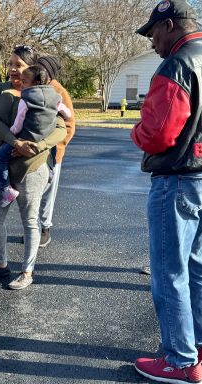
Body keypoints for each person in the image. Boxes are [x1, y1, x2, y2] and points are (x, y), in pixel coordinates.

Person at [131, 1, 202, 382]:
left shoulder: (177, 64)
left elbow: (158, 135)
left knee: (169, 272)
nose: (152, 41)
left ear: (170, 25)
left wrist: (136, 131)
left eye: (154, 32)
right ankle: (196, 347)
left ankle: (180, 360)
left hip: (177, 179)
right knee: (197, 269)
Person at [0, 45, 67, 290]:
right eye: (10, 64)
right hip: (3, 163)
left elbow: (61, 128)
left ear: (32, 69)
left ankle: (27, 272)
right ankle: (1, 266)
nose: (12, 69)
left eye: (18, 64)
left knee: (29, 220)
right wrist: (16, 142)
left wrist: (36, 147)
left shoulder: (47, 93)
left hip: (33, 166)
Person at [0, 64, 71, 208]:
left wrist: (13, 134)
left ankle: (6, 189)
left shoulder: (26, 99)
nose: (22, 84)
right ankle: (51, 171)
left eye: (24, 81)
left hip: (25, 139)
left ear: (34, 83)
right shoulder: (55, 97)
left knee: (0, 157)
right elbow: (67, 114)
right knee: (52, 150)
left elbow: (19, 122)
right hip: (44, 139)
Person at [37, 55, 75, 247]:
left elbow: (69, 125)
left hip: (52, 153)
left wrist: (57, 147)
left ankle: (45, 228)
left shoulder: (59, 92)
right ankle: (34, 228)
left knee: (47, 192)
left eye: (41, 68)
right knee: (34, 191)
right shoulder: (33, 87)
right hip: (34, 151)